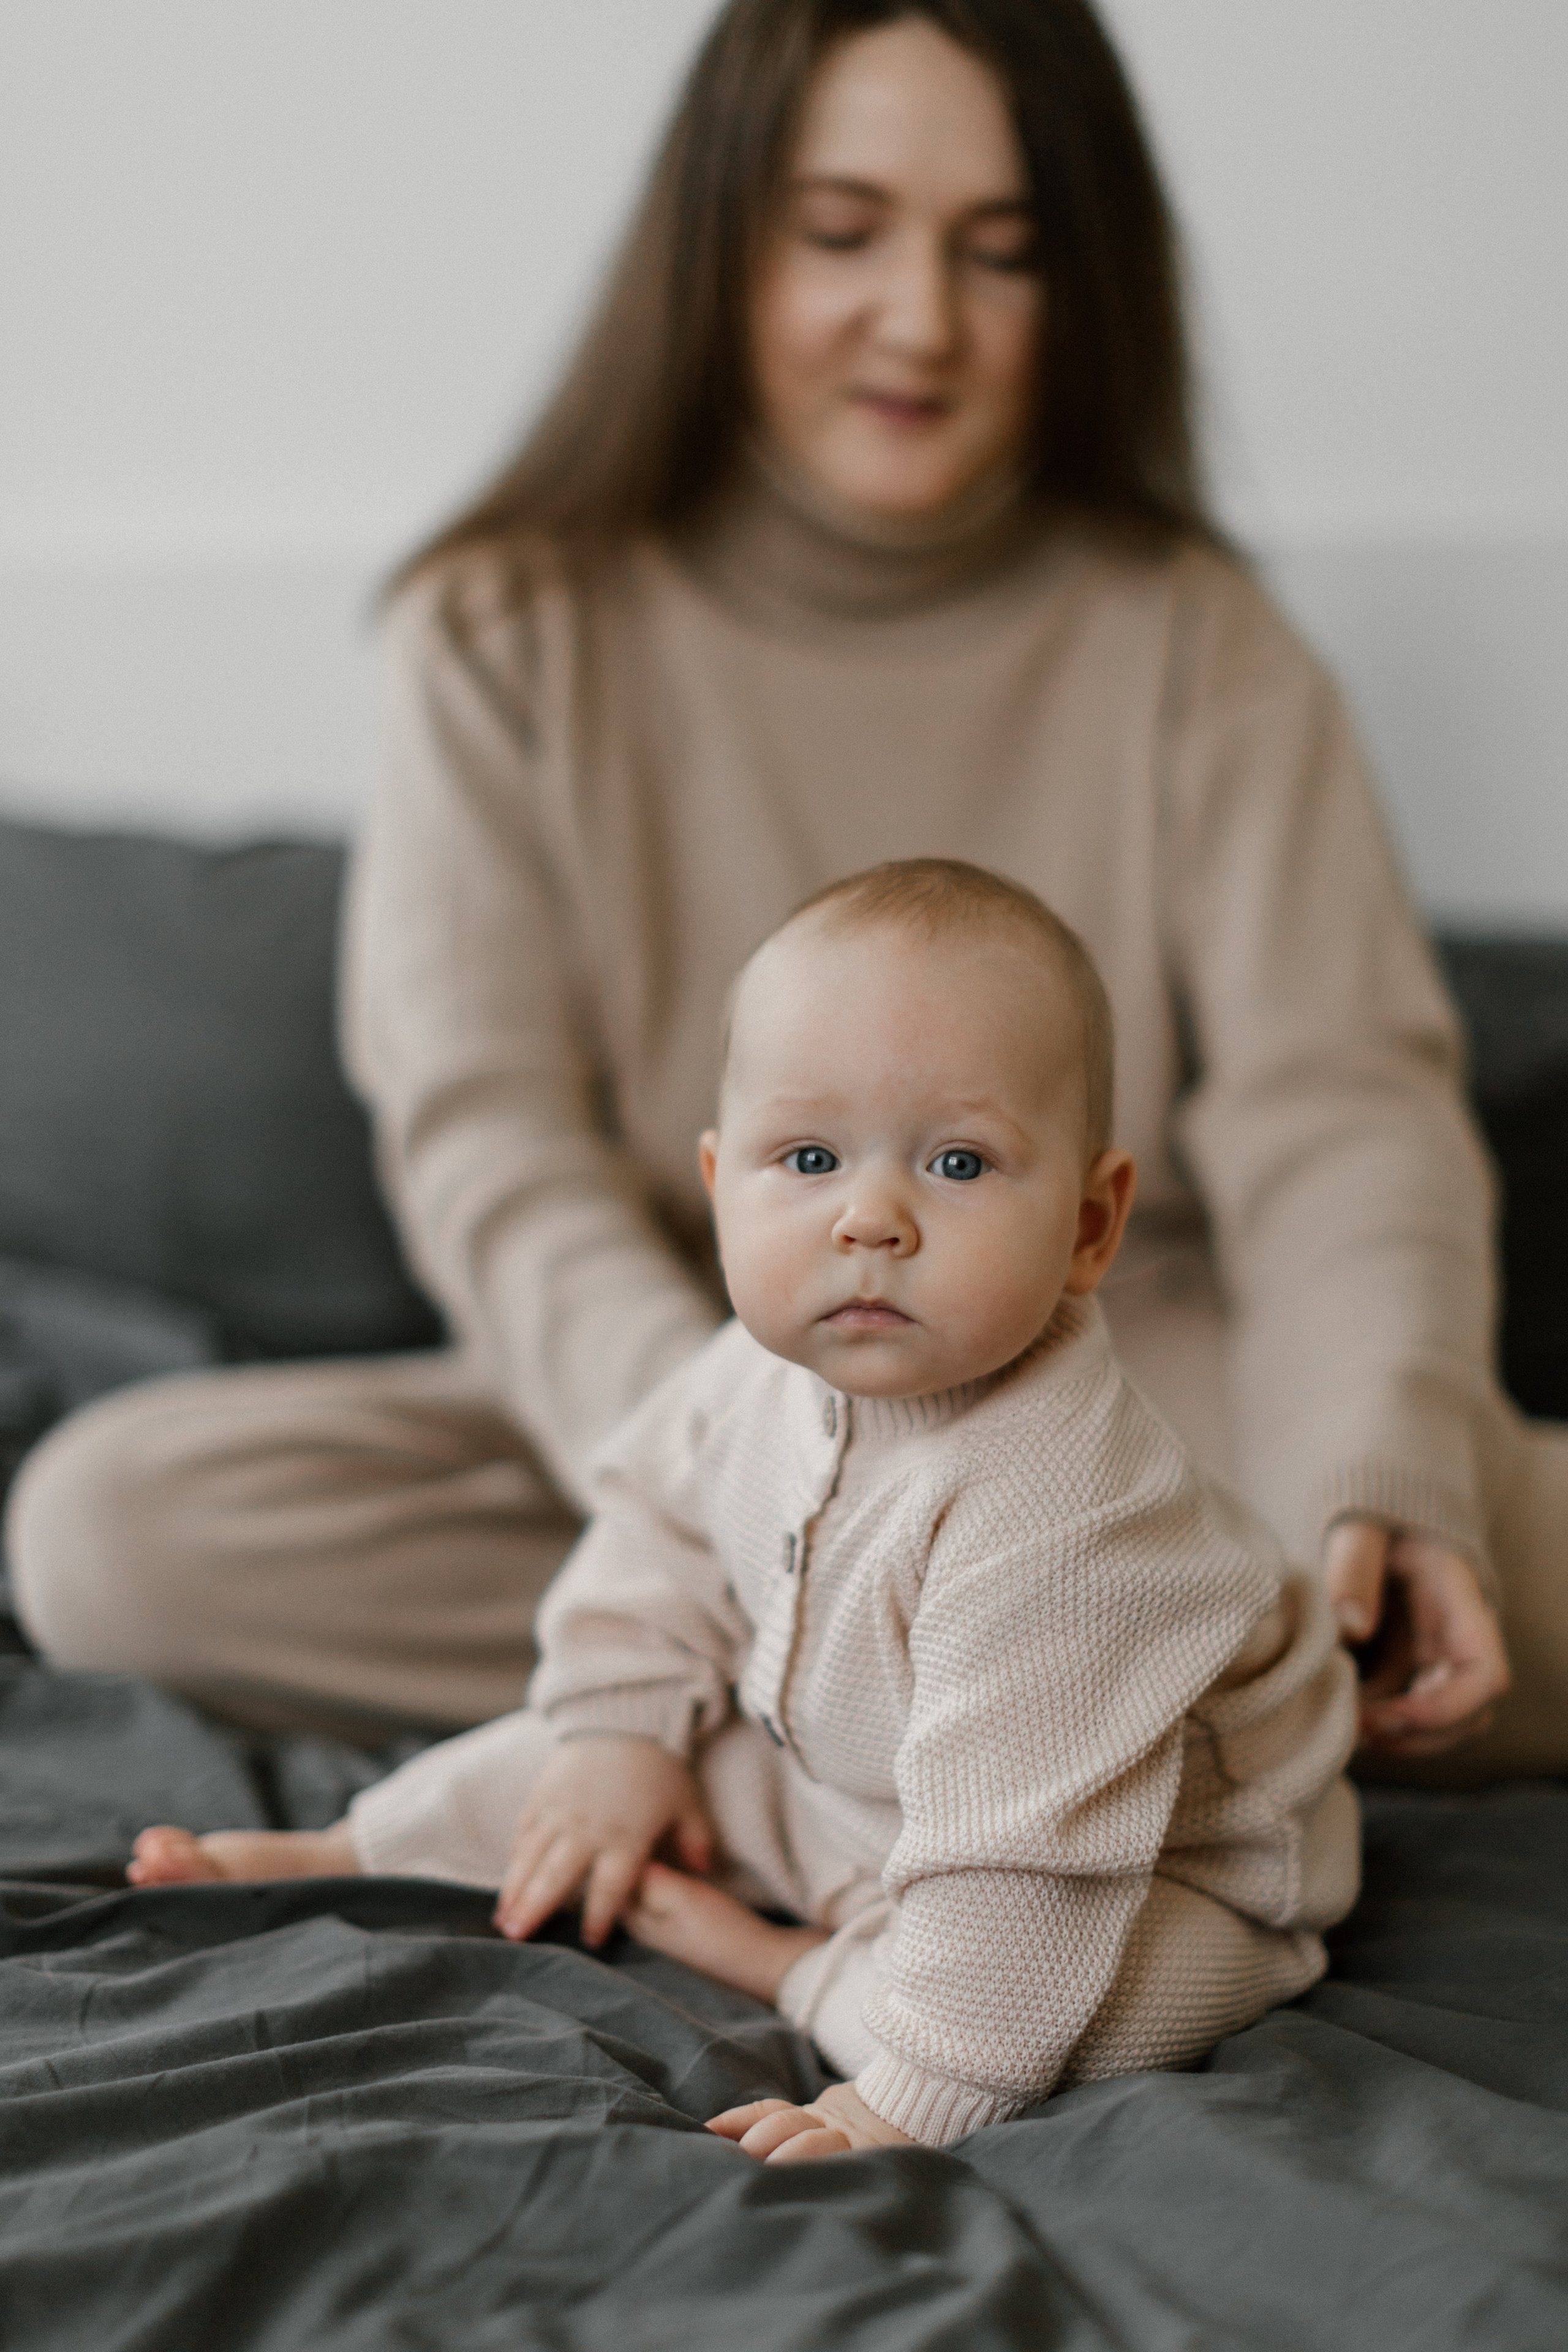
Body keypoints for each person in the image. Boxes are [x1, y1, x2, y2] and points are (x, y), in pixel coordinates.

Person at [5, 0, 1560, 1776]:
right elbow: (492, 1150)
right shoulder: (502, 635)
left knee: (1453, 1538)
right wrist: (751, 1488)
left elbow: (1344, 1114)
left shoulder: (1202, 645)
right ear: (718, 244)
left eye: (1006, 253)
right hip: (683, 1415)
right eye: (842, 234)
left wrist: (1377, 1467)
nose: (922, 322)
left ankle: (964, 1702)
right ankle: (1050, 1710)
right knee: (113, 1530)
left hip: (1135, 1417)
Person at [127, 862, 1360, 2161]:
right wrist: (620, 1739)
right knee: (576, 1757)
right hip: (842, 1785)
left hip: (1140, 1866)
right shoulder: (751, 1372)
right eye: (809, 1158)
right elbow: (653, 1535)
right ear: (722, 1185)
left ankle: (789, 1966)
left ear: (1089, 1224)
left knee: (1087, 2009)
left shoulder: (1068, 1520)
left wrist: (899, 2104)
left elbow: (1021, 1872)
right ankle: (352, 1851)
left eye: (957, 1161)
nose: (869, 1219)